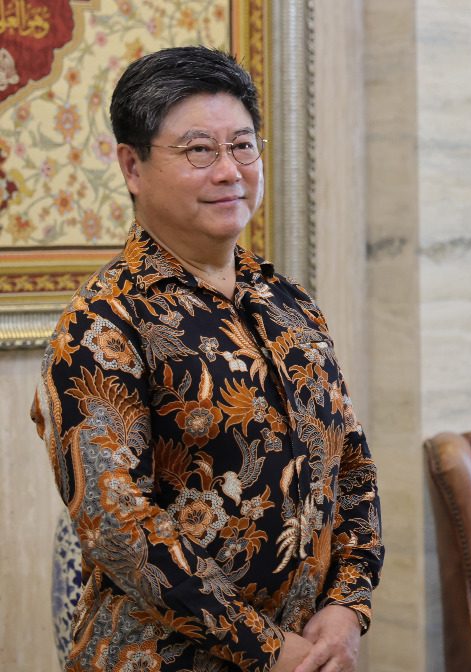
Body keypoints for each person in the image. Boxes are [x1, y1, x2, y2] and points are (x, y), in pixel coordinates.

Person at [31, 46, 382, 672]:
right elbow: (120, 529)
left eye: (243, 146)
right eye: (199, 150)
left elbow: (350, 463)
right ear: (133, 167)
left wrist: (348, 606)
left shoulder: (288, 303)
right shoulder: (102, 324)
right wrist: (268, 648)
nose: (230, 171)